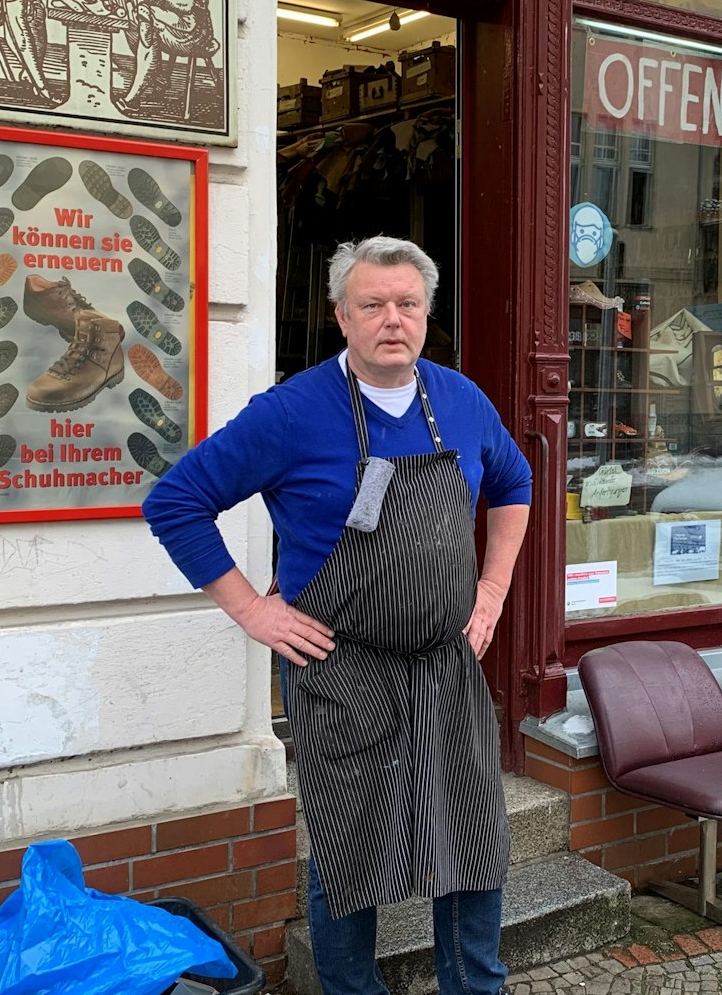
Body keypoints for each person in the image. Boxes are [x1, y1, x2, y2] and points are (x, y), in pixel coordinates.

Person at [143, 237, 530, 995]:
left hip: (447, 668)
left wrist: (491, 593)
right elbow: (176, 502)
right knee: (350, 853)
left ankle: (475, 989)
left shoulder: (461, 400)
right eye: (373, 305)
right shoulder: (290, 413)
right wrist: (253, 610)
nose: (393, 319)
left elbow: (515, 483)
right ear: (340, 316)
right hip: (340, 670)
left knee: (475, 841)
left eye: (408, 303)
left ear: (427, 312)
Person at [117, 0, 218, 107]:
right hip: (162, 20)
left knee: (145, 18)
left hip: (193, 30)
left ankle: (135, 95)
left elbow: (186, 3)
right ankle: (157, 78)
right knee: (132, 22)